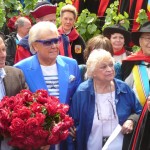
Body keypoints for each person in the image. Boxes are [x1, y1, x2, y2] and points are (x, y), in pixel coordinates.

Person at [14, 21, 81, 150]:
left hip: (67, 138)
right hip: (39, 142)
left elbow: (77, 100)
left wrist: (75, 125)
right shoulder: (21, 69)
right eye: (48, 42)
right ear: (35, 46)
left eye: (57, 40)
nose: (55, 46)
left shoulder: (71, 65)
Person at [68, 49, 142, 150]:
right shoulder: (82, 92)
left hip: (122, 146)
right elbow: (72, 122)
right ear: (92, 72)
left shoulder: (123, 88)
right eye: (103, 67)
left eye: (111, 65)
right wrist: (77, 132)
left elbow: (139, 112)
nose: (109, 69)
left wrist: (131, 120)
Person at [0, 33, 27, 149]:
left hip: (10, 143)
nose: (3, 55)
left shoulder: (16, 74)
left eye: (3, 50)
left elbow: (28, 107)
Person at [121, 21, 150, 107]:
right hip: (136, 115)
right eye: (148, 38)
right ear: (140, 41)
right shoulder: (130, 63)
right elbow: (124, 92)